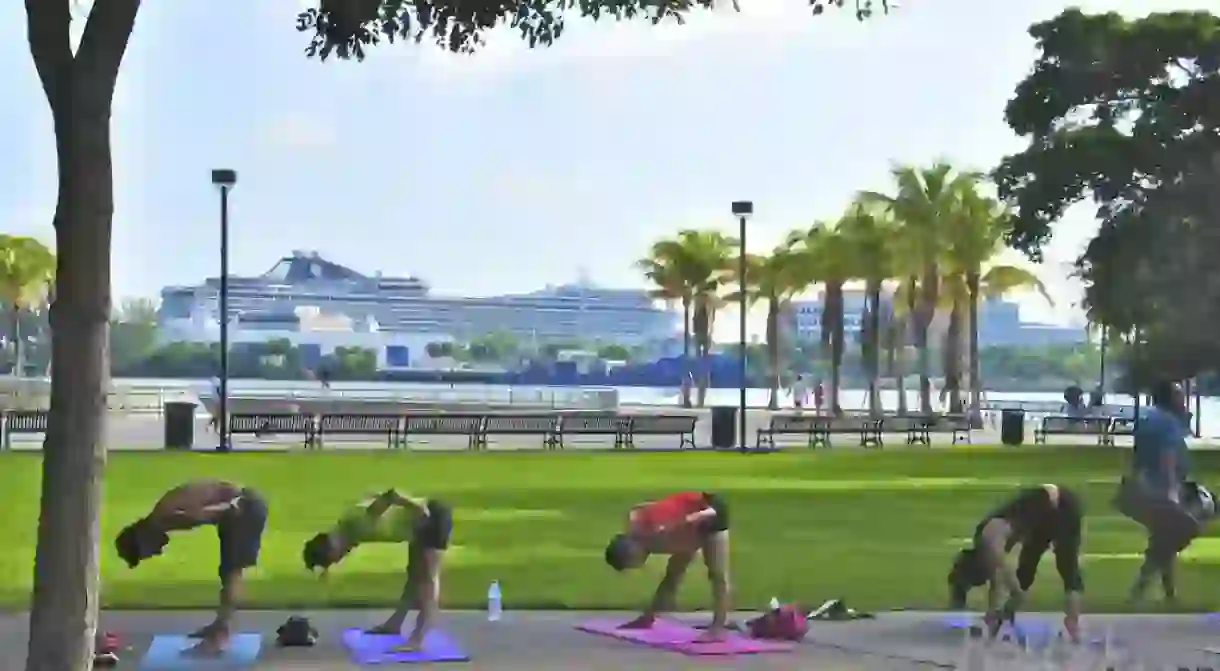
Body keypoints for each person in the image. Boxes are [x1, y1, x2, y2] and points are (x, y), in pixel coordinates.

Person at [115, 480, 269, 654]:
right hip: (236, 511)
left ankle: (220, 637)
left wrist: (233, 508)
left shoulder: (167, 516)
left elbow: (212, 512)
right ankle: (219, 626)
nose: (156, 553)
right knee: (227, 572)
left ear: (143, 540)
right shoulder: (161, 517)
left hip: (244, 508)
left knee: (232, 573)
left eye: (147, 553)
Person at [302, 489, 452, 651]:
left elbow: (391, 495)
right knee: (414, 575)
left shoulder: (356, 524)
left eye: (334, 560)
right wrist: (326, 567)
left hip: (431, 519)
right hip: (415, 529)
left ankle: (418, 638)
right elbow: (372, 498)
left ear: (331, 549)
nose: (339, 560)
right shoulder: (347, 531)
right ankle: (394, 625)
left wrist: (417, 506)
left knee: (427, 580)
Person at [947, 484, 1083, 642]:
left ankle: (1073, 627)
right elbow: (996, 584)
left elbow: (1011, 587)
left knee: (1067, 566)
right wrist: (992, 616)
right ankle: (1001, 624)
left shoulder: (990, 540)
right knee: (1026, 567)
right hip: (1042, 520)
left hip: (1061, 505)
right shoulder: (985, 549)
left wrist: (1008, 601)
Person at [603, 492, 732, 641]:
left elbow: (700, 517)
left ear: (632, 553)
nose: (637, 566)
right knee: (673, 573)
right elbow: (643, 507)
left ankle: (718, 629)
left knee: (717, 575)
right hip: (689, 525)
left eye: (632, 564)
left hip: (710, 517)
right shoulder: (641, 530)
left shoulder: (659, 531)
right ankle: (648, 618)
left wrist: (698, 536)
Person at [1119, 380, 1197, 603]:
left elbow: (1137, 456)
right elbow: (1167, 457)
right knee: (1177, 533)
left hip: (1146, 487)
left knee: (1163, 538)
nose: (1183, 399)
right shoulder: (1168, 423)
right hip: (1162, 489)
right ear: (1170, 398)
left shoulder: (1148, 420)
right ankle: (1139, 589)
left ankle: (1168, 593)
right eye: (1179, 394)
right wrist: (1172, 490)